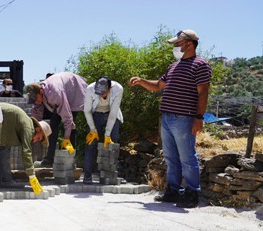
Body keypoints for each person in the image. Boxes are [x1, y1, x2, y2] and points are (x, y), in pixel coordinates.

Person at [129, 29, 211, 208]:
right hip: (166, 118)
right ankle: (173, 191)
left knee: (187, 157)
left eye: (177, 43)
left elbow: (203, 92)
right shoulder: (173, 66)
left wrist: (198, 117)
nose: (174, 46)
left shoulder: (200, 64)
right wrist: (142, 81)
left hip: (184, 118)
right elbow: (159, 85)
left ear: (188, 44)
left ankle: (192, 193)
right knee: (171, 157)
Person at [26, 72, 87, 166]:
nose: (36, 101)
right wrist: (35, 127)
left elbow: (67, 117)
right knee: (53, 126)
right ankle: (50, 159)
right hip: (63, 91)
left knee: (70, 125)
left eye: (37, 99)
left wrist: (66, 137)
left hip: (75, 91)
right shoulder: (39, 94)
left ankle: (70, 160)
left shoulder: (54, 94)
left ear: (41, 92)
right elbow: (36, 111)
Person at [0, 102, 52, 193]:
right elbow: (26, 152)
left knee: (2, 148)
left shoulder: (26, 124)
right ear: (38, 129)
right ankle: (5, 180)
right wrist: (32, 176)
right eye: (38, 138)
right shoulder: (29, 129)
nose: (35, 141)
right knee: (3, 150)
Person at [82, 76, 124, 184]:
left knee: (112, 144)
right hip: (95, 115)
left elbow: (113, 113)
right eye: (98, 92)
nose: (100, 95)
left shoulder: (118, 89)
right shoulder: (90, 89)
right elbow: (87, 111)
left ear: (110, 88)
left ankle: (111, 176)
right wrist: (93, 130)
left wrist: (107, 135)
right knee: (91, 144)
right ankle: (87, 176)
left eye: (103, 93)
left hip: (111, 114)